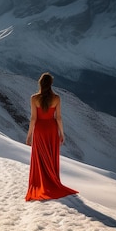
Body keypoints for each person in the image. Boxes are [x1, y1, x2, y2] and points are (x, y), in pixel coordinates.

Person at [25, 72, 78, 201]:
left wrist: (29, 135)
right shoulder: (57, 98)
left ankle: (41, 183)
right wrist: (61, 133)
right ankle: (52, 182)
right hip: (52, 129)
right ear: (51, 84)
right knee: (50, 155)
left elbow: (33, 118)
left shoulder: (34, 98)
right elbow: (58, 117)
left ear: (40, 83)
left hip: (40, 129)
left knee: (40, 156)